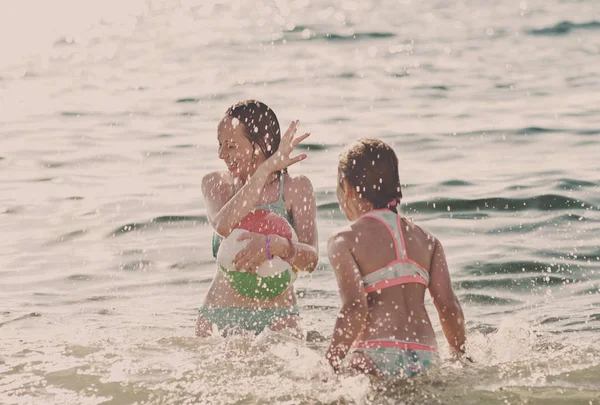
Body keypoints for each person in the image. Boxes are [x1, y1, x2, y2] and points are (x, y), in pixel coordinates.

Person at [325, 138, 466, 377]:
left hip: (374, 354)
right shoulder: (428, 241)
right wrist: (461, 356)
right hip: (426, 356)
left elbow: (354, 308)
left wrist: (330, 364)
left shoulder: (344, 240)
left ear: (347, 188)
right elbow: (448, 306)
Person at [196, 100, 318, 337]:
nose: (221, 155)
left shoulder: (296, 188)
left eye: (230, 146)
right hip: (220, 315)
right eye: (220, 145)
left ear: (259, 146)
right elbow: (224, 225)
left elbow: (311, 261)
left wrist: (275, 246)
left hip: (279, 318)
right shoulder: (216, 184)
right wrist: (263, 171)